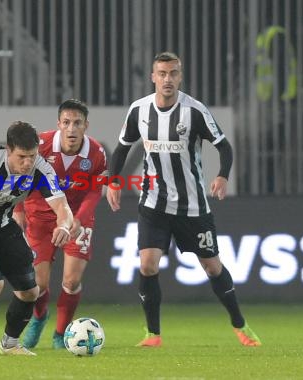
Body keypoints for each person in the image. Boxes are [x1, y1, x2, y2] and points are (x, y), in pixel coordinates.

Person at [106, 51, 262, 347]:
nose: (167, 79)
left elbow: (224, 147)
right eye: (162, 73)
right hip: (153, 203)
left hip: (192, 206)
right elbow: (122, 148)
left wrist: (223, 175)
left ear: (180, 76)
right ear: (153, 77)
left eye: (173, 73)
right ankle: (153, 334)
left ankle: (241, 326)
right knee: (148, 265)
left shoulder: (194, 111)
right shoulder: (139, 111)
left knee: (212, 267)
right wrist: (113, 181)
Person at [0, 121, 73, 355]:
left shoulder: (41, 168)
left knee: (31, 291)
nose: (28, 162)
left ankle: (9, 344)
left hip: (3, 226)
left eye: (32, 155)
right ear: (8, 150)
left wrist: (65, 226)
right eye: (21, 156)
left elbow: (62, 206)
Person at [11, 99, 107, 349]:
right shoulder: (40, 146)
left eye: (77, 123)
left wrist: (79, 220)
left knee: (71, 281)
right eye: (66, 122)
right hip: (40, 218)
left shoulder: (96, 153)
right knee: (39, 284)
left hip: (76, 219)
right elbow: (20, 176)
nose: (71, 129)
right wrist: (19, 208)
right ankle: (39, 317)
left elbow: (95, 191)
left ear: (86, 125)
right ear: (59, 124)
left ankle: (61, 334)